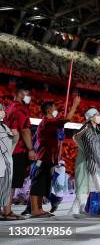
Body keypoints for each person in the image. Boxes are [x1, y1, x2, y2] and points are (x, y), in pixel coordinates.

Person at [29, 97, 79, 218]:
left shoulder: (50, 122)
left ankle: (39, 209)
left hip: (48, 158)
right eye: (54, 107)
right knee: (37, 183)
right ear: (49, 109)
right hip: (43, 158)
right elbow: (67, 119)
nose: (56, 109)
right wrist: (75, 104)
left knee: (42, 184)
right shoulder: (47, 122)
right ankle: (35, 210)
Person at [70, 107, 100, 218]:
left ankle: (81, 209)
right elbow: (84, 142)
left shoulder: (96, 130)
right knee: (83, 185)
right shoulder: (86, 129)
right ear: (91, 117)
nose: (99, 117)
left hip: (93, 162)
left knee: (88, 187)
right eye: (97, 114)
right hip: (85, 161)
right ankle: (75, 210)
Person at [2, 86, 33, 221]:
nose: (29, 97)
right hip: (17, 149)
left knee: (5, 180)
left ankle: (5, 210)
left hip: (6, 148)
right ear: (21, 94)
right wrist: (31, 149)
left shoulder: (8, 107)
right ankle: (7, 211)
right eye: (28, 94)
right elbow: (25, 130)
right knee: (12, 182)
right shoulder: (21, 108)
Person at [0, 103, 19, 219]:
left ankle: (6, 212)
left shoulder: (4, 126)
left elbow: (11, 144)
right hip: (1, 162)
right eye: (1, 109)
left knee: (5, 188)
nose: (3, 111)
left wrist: (16, 136)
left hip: (7, 161)